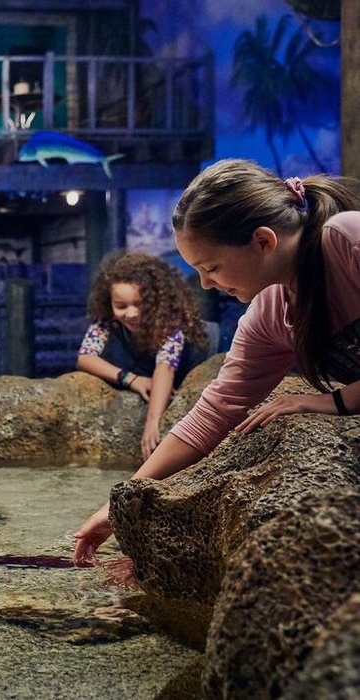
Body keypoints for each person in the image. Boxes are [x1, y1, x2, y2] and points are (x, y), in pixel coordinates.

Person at [72, 159, 360, 566]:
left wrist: (335, 402)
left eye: (211, 267)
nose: (206, 284)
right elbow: (214, 412)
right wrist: (119, 504)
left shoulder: (347, 239)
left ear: (263, 241)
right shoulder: (271, 313)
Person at [77, 251, 209, 459]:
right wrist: (131, 379)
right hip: (145, 370)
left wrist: (153, 421)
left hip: (198, 359)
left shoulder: (171, 322)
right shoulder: (105, 321)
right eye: (121, 306)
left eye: (140, 304)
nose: (131, 313)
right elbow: (86, 357)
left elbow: (165, 366)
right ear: (109, 302)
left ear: (155, 300)